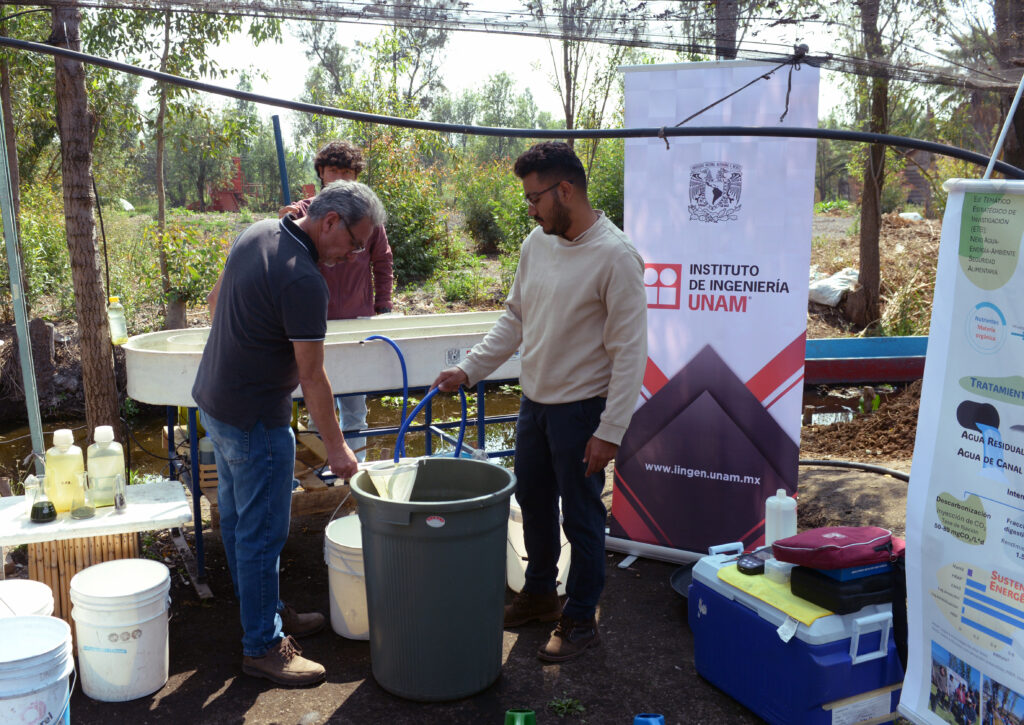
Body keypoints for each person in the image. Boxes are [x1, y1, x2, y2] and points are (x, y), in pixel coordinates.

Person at [432, 141, 647, 663]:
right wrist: (469, 368)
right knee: (532, 503)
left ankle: (580, 620)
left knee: (582, 517)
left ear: (565, 190)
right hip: (536, 404)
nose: (530, 208)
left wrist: (610, 431)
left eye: (534, 198)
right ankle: (540, 594)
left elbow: (631, 354)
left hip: (582, 413)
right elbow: (516, 318)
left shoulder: (616, 258)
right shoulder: (537, 242)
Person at [192, 180, 387, 686]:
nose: (353, 255)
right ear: (329, 223)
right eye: (355, 242)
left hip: (215, 402)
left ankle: (266, 613)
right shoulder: (304, 279)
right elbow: (313, 376)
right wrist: (340, 448)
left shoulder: (256, 232)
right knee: (262, 536)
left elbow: (215, 306)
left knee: (237, 522)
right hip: (256, 418)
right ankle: (262, 645)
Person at [280, 141, 394, 461]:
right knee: (317, 400)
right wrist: (286, 216)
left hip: (357, 321)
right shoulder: (309, 211)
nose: (341, 178)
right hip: (316, 325)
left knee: (355, 405)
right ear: (321, 173)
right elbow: (289, 225)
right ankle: (325, 468)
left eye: (348, 172)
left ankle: (352, 473)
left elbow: (382, 262)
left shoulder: (368, 220)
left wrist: (383, 307)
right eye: (334, 171)